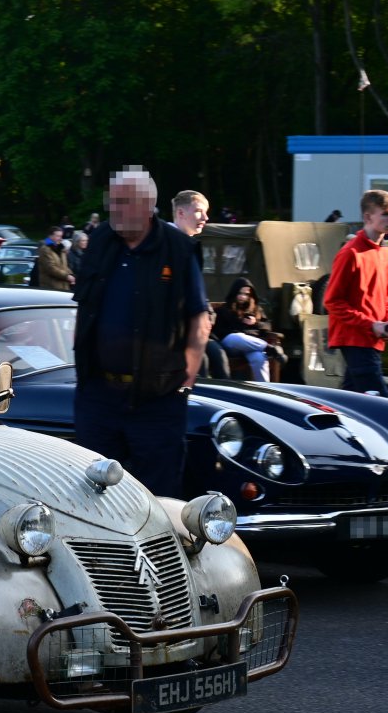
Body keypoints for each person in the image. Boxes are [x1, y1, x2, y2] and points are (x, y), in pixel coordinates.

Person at [73, 167, 210, 497]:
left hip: (157, 400)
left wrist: (185, 382)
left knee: (158, 496)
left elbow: (199, 320)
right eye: (113, 201)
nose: (115, 210)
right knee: (93, 494)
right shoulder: (100, 241)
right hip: (99, 396)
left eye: (125, 202)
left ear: (148, 205)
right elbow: (84, 309)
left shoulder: (178, 249)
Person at [325, 189, 388, 398]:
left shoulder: (384, 251)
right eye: (386, 214)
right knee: (382, 403)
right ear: (368, 217)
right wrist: (371, 324)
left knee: (350, 400)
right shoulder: (350, 253)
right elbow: (332, 301)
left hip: (372, 338)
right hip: (354, 338)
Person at [171, 189, 229, 380]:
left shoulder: (189, 246)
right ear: (181, 213)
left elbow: (196, 293)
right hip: (173, 331)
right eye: (198, 211)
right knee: (200, 363)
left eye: (206, 212)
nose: (205, 217)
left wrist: (207, 315)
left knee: (218, 355)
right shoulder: (166, 246)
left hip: (193, 327)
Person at [213, 278, 286, 382]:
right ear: (234, 293)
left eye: (246, 294)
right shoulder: (223, 310)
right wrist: (240, 322)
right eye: (240, 293)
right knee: (236, 337)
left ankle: (264, 389)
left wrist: (255, 322)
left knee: (259, 357)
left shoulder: (256, 310)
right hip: (231, 345)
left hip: (252, 346)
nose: (243, 297)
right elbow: (220, 331)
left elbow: (267, 327)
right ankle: (270, 349)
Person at [34, 225, 74, 291]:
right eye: (58, 236)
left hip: (63, 286)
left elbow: (64, 266)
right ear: (50, 236)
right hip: (51, 288)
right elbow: (51, 268)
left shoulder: (61, 249)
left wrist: (71, 274)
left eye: (61, 236)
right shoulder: (45, 249)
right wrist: (66, 276)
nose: (60, 239)